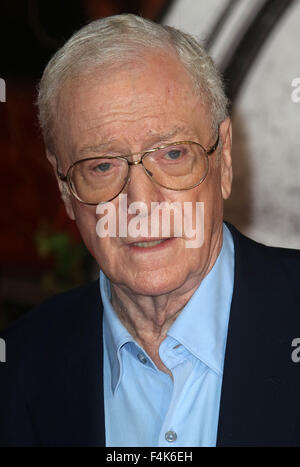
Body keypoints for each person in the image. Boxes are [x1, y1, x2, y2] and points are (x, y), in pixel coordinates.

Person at [0, 14, 300, 448]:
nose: (140, 204)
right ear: (64, 188)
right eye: (102, 165)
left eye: (173, 154)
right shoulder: (17, 370)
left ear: (225, 159)